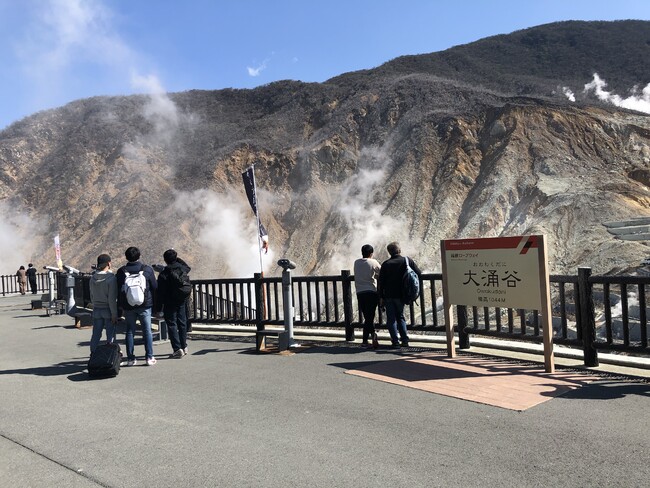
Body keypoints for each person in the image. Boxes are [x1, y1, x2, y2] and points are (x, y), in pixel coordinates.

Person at [116, 247, 158, 366]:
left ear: (126, 257)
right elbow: (155, 286)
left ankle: (131, 358)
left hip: (128, 305)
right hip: (145, 305)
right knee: (147, 331)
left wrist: (120, 306)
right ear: (139, 256)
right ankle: (149, 357)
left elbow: (118, 289)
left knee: (130, 331)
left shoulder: (121, 271)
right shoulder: (147, 269)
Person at [377, 242, 422, 348]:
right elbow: (418, 273)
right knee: (400, 317)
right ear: (399, 250)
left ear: (389, 252)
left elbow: (381, 282)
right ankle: (405, 340)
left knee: (391, 319)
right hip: (402, 294)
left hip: (388, 295)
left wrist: (381, 297)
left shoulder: (386, 264)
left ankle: (395, 342)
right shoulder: (407, 261)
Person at [154, 249, 190, 358]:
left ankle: (177, 349)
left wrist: (158, 308)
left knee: (172, 324)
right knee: (182, 323)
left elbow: (160, 293)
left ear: (165, 260)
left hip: (169, 302)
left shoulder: (164, 274)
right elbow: (188, 267)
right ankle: (184, 346)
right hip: (181, 300)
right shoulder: (182, 269)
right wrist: (176, 258)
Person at [89, 254, 118, 354]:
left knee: (96, 334)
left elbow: (91, 295)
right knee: (110, 335)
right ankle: (110, 356)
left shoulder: (92, 278)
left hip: (97, 309)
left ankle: (93, 354)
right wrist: (114, 314)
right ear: (109, 264)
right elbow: (112, 299)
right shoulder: (111, 279)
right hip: (108, 309)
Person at [353, 244, 381, 348]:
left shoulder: (356, 262)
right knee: (370, 317)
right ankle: (369, 338)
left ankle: (368, 338)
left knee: (367, 316)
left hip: (360, 292)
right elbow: (381, 272)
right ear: (371, 253)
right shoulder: (373, 262)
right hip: (371, 292)